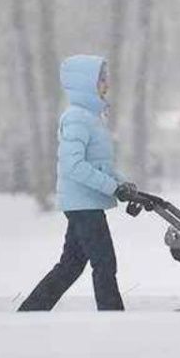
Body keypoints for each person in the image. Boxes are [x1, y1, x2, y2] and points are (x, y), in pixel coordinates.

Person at [18, 55, 139, 312]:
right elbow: (73, 166)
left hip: (85, 202)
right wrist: (113, 188)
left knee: (71, 265)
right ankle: (112, 316)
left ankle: (31, 311)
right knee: (104, 262)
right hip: (83, 204)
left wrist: (123, 183)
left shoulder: (91, 118)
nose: (107, 83)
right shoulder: (76, 118)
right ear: (86, 83)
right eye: (102, 79)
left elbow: (100, 165)